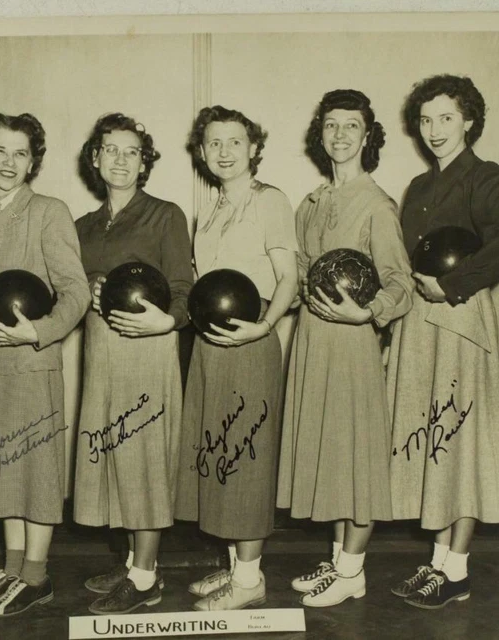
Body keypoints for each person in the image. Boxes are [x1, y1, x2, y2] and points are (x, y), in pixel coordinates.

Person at [386, 74, 499, 609]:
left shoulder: (484, 175)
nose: (435, 129)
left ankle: (457, 570)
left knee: (460, 443)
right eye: (426, 119)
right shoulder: (419, 188)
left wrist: (452, 285)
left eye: (446, 117)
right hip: (420, 324)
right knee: (432, 442)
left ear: (468, 120)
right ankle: (438, 564)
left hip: (460, 318)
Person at [277, 89, 414, 607]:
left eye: (350, 126)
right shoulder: (311, 203)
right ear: (321, 133)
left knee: (355, 457)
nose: (339, 135)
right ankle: (339, 563)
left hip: (353, 342)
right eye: (331, 125)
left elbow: (400, 281)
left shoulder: (376, 204)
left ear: (367, 136)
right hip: (314, 343)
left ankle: (353, 571)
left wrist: (369, 312)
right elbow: (299, 276)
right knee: (331, 455)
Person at [0, 112, 90, 617]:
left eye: (21, 153)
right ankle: (13, 567)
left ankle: (37, 576)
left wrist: (40, 332)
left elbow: (75, 291)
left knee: (33, 470)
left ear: (33, 160)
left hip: (32, 364)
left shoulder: (48, 211)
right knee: (2, 467)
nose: (10, 162)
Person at [174, 105, 300, 611]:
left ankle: (250, 581)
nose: (224, 151)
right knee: (218, 458)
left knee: (245, 461)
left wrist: (265, 326)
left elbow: (288, 278)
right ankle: (234, 568)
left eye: (234, 142)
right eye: (213, 143)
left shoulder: (270, 201)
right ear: (202, 152)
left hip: (250, 344)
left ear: (253, 149)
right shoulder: (210, 206)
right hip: (209, 348)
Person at [72, 113, 194, 615]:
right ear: (95, 158)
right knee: (114, 455)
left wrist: (166, 323)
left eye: (131, 151)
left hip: (148, 349)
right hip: (101, 350)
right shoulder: (80, 226)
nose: (120, 160)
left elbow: (184, 291)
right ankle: (132, 562)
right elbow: (71, 290)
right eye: (111, 150)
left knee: (144, 459)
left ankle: (145, 579)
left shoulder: (165, 215)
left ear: (145, 162)